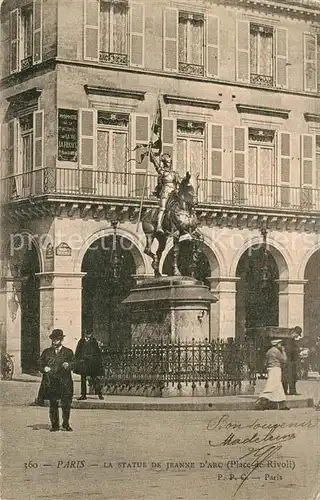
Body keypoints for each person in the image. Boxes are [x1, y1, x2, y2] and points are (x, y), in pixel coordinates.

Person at [39, 329, 74, 431]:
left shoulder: (68, 352)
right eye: (53, 340)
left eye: (57, 340)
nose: (55, 342)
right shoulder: (47, 352)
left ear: (61, 340)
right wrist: (44, 368)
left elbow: (75, 363)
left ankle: (66, 424)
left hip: (65, 382)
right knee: (53, 403)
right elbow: (40, 363)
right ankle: (54, 425)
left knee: (66, 403)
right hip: (52, 382)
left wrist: (69, 365)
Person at [149, 149, 181, 234]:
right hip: (165, 193)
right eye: (167, 162)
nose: (169, 163)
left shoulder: (175, 173)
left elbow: (180, 182)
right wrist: (152, 156)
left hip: (174, 193)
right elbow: (156, 165)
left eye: (170, 162)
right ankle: (159, 225)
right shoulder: (163, 172)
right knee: (162, 208)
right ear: (164, 162)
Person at [255, 338, 289, 410]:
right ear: (276, 344)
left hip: (270, 368)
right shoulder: (276, 351)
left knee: (278, 386)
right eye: (280, 343)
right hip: (276, 368)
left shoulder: (269, 351)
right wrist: (283, 351)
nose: (281, 345)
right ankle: (261, 401)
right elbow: (284, 360)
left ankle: (282, 404)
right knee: (271, 386)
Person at [74, 331, 104, 400]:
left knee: (95, 379)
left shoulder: (94, 341)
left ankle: (99, 394)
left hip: (92, 363)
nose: (88, 335)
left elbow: (97, 352)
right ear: (84, 334)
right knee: (83, 379)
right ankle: (83, 395)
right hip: (83, 363)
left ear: (91, 334)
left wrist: (96, 360)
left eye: (89, 334)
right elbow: (77, 351)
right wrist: (79, 360)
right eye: (87, 334)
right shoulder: (81, 341)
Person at [282, 326, 302, 395]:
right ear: (294, 332)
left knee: (292, 377)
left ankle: (292, 391)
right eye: (297, 334)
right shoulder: (289, 340)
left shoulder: (291, 340)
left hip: (291, 361)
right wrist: (297, 350)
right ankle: (286, 391)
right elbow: (289, 350)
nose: (297, 336)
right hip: (289, 361)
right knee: (287, 377)